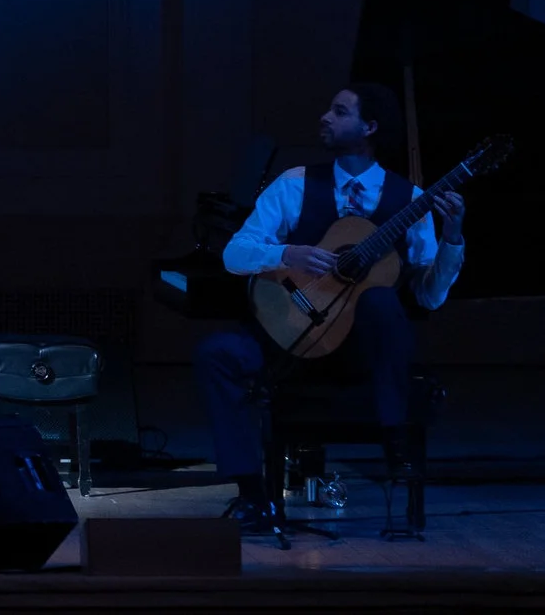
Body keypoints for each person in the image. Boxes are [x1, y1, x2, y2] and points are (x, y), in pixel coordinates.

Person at [194, 82, 467, 531]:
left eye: (339, 111)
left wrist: (453, 236)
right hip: (292, 339)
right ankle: (251, 494)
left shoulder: (411, 201)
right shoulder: (295, 184)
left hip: (360, 353)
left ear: (369, 126)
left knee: (379, 299)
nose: (325, 116)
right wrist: (287, 254)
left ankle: (394, 439)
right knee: (218, 352)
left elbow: (430, 295)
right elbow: (234, 253)